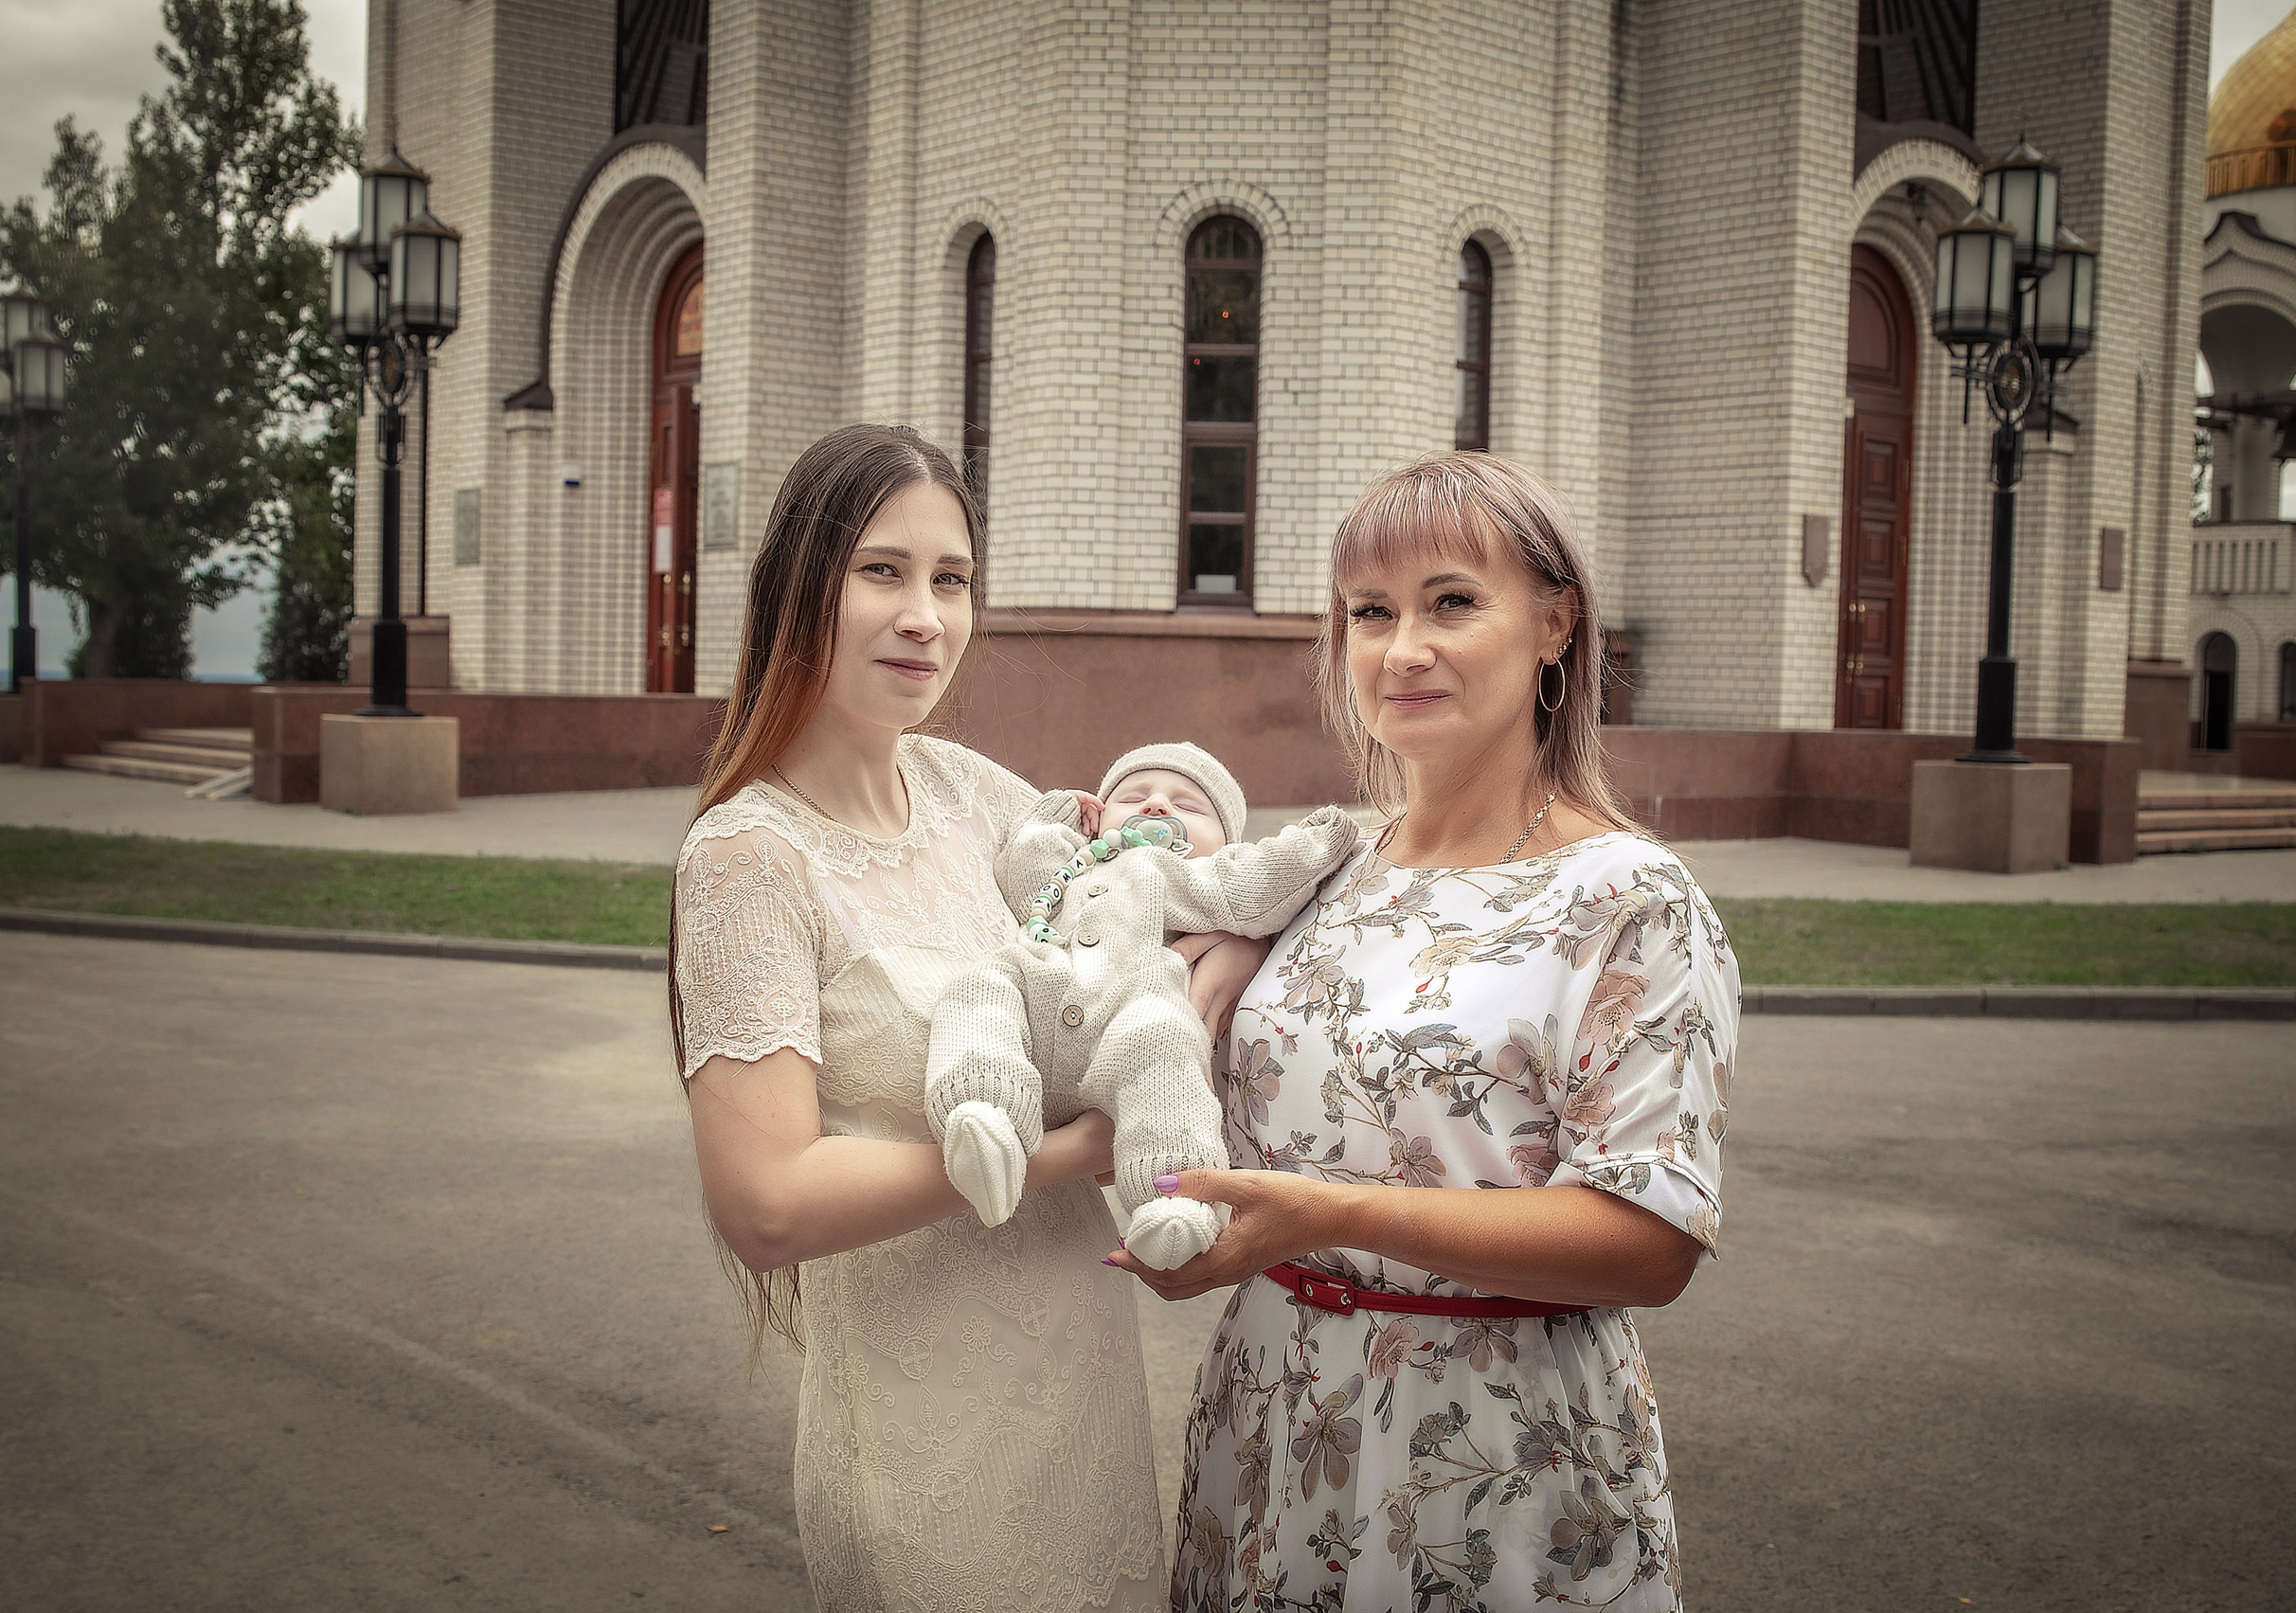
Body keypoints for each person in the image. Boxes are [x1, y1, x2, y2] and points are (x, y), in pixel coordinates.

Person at [1116, 451, 1741, 1612]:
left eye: (1451, 601)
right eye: (1370, 612)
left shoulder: (1630, 899)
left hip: (1490, 1450)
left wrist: (1323, 1214)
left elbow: (1649, 1240)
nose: (1402, 648)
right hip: (1273, 1420)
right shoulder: (1326, 870)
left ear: (1554, 622)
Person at [670, 424, 1265, 1611]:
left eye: (951, 579)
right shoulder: (747, 856)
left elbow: (1168, 899)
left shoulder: (978, 795)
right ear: (798, 585)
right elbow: (766, 1204)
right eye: (882, 571)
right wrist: (1074, 1152)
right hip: (922, 1432)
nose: (924, 616)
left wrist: (1221, 960)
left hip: (1079, 1379)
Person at [924, 742, 1359, 1267]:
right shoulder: (1071, 868)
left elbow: (1259, 883)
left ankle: (1173, 1195)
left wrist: (1323, 836)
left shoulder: (1192, 877)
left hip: (1131, 1005)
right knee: (980, 984)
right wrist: (1058, 814)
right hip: (1040, 983)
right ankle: (984, 1110)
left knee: (1164, 1041)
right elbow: (1022, 867)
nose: (1156, 805)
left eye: (1188, 805)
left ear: (1223, 846)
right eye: (1132, 797)